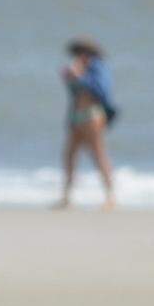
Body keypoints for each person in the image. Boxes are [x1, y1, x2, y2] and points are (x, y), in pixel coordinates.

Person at [56, 37, 118, 210]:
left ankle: (110, 196)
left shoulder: (97, 67)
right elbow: (74, 94)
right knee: (69, 156)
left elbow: (101, 90)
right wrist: (69, 78)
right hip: (76, 116)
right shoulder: (78, 67)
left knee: (98, 155)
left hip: (92, 116)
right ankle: (67, 197)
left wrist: (80, 77)